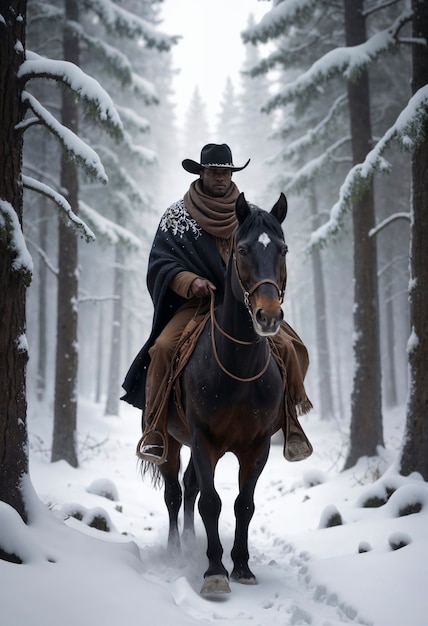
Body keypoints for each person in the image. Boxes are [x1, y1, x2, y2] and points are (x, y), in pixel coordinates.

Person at [121, 143, 313, 464]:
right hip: (195, 305)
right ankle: (155, 429)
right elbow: (160, 262)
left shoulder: (249, 216)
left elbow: (266, 256)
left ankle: (292, 423)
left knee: (290, 348)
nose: (221, 178)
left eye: (226, 172)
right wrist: (190, 281)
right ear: (201, 173)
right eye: (214, 172)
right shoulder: (177, 216)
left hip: (244, 306)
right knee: (164, 348)